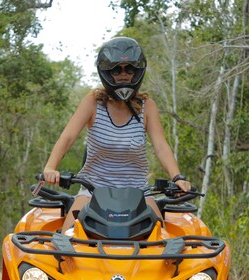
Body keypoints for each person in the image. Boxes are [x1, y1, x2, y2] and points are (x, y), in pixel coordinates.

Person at [42, 37, 190, 232]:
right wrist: (50, 168)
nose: (123, 75)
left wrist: (177, 177)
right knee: (68, 239)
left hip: (138, 193)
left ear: (137, 71)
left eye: (129, 69)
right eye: (116, 69)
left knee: (161, 240)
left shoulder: (147, 107)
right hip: (93, 190)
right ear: (107, 72)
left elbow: (161, 146)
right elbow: (68, 137)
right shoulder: (93, 102)